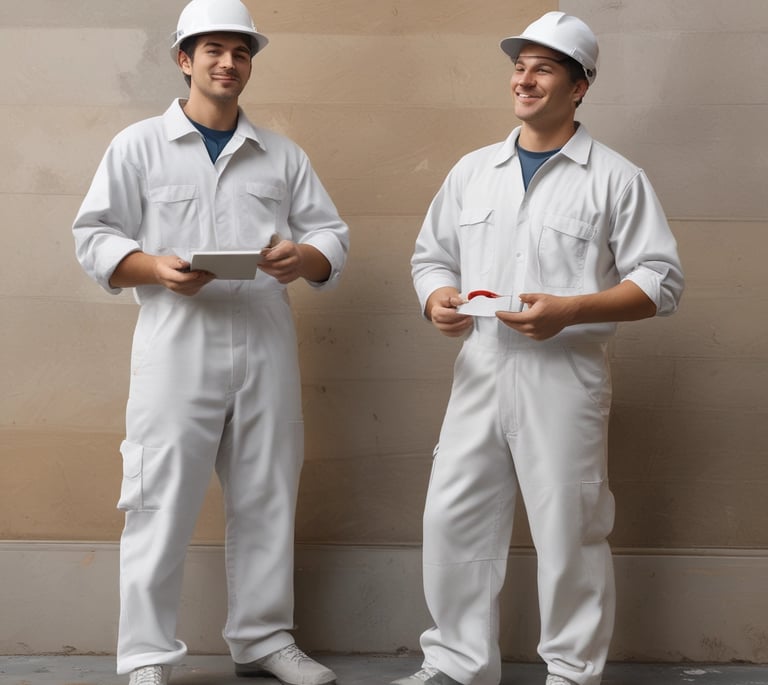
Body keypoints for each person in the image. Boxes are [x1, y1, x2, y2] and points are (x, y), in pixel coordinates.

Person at [393, 11, 683, 685]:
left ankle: (572, 672)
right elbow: (431, 257)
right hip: (479, 371)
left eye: (543, 69)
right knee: (453, 518)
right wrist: (437, 299)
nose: (524, 79)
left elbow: (661, 282)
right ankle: (458, 664)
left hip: (565, 376)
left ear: (579, 87)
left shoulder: (615, 178)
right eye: (519, 66)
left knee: (568, 529)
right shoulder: (473, 171)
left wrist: (574, 309)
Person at [72, 1, 348, 684]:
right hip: (176, 343)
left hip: (265, 340)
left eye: (241, 52)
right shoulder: (138, 146)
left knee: (267, 493)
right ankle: (146, 654)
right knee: (158, 497)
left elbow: (330, 235)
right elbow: (95, 235)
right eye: (214, 50)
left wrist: (301, 257)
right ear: (183, 59)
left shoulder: (281, 155)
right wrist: (154, 268)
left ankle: (263, 638)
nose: (229, 63)